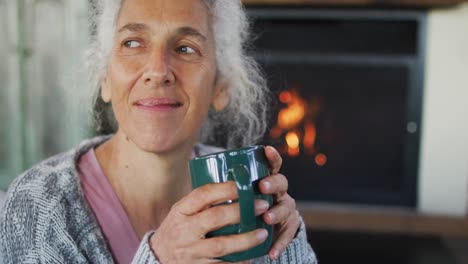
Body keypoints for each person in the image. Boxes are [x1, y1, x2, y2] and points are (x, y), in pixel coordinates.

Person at [0, 0, 317, 263]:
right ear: (105, 79)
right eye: (132, 43)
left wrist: (285, 245)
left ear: (220, 85)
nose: (157, 70)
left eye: (186, 48)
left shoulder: (241, 187)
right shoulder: (38, 206)